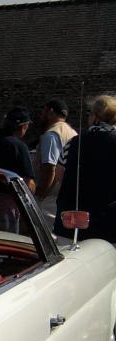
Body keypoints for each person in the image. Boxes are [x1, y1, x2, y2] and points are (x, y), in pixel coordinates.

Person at [54, 95, 116, 242]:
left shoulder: (74, 142)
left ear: (95, 116)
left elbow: (59, 175)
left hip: (72, 224)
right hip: (109, 224)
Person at [33, 99, 77, 222]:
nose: (41, 116)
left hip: (49, 198)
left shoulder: (51, 135)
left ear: (51, 112)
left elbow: (49, 168)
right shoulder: (72, 133)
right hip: (64, 194)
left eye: (43, 112)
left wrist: (41, 194)